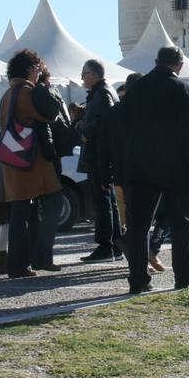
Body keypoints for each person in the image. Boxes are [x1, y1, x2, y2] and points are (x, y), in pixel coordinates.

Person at [120, 46, 189, 294]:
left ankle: (138, 279)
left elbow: (122, 129)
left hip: (138, 167)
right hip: (175, 168)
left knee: (138, 226)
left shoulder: (136, 88)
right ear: (179, 65)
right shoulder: (183, 90)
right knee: (182, 223)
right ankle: (184, 274)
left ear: (156, 61)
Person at [0, 50, 66, 277]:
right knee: (52, 203)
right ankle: (36, 258)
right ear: (30, 69)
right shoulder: (26, 91)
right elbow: (50, 114)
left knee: (20, 212)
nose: (39, 71)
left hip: (15, 158)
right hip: (31, 162)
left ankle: (21, 263)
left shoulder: (9, 92)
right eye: (37, 67)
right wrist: (42, 88)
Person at [77, 58, 122, 263]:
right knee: (107, 200)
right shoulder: (102, 92)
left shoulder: (102, 93)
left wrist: (87, 132)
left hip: (100, 155)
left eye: (84, 73)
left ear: (94, 74)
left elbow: (107, 119)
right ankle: (115, 244)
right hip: (101, 154)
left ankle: (107, 246)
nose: (82, 77)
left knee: (103, 200)